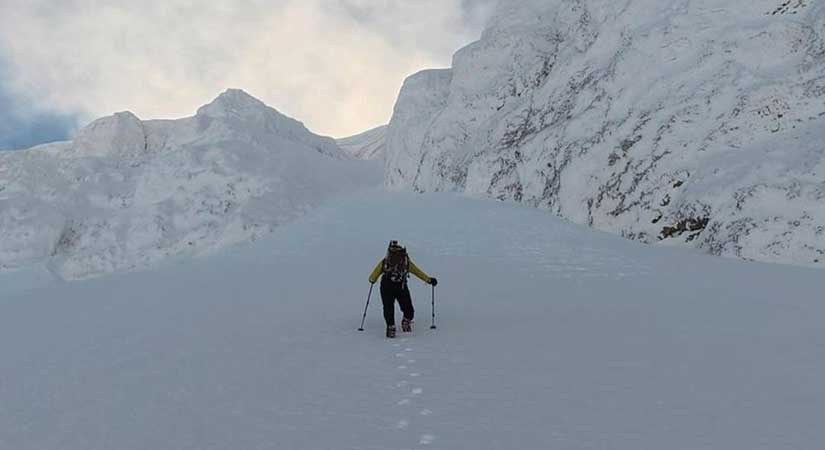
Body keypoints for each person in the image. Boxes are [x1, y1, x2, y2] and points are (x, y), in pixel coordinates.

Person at [369, 240, 438, 338]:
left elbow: (372, 277)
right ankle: (406, 320)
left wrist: (372, 280)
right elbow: (417, 272)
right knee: (407, 307)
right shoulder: (405, 261)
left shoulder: (385, 261)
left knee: (388, 307)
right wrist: (429, 280)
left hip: (386, 286)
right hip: (401, 286)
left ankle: (391, 327)